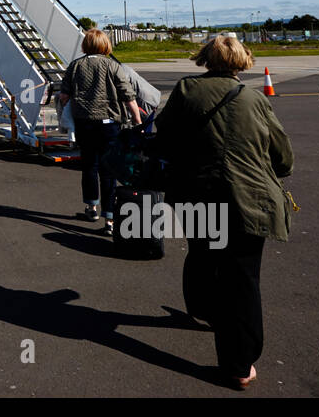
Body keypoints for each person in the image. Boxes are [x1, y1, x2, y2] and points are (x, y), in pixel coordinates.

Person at [154, 36, 294, 390]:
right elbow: (283, 157)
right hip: (247, 199)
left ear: (205, 58)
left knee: (201, 252)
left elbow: (164, 134)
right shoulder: (254, 99)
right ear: (244, 60)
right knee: (242, 278)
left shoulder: (186, 90)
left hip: (196, 193)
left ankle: (203, 308)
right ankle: (238, 364)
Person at [57, 28, 141, 233]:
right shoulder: (112, 65)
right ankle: (110, 219)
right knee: (109, 170)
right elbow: (127, 95)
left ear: (85, 45)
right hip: (109, 125)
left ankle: (91, 207)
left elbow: (64, 95)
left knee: (89, 166)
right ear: (105, 45)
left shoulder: (75, 66)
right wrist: (138, 120)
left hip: (84, 124)